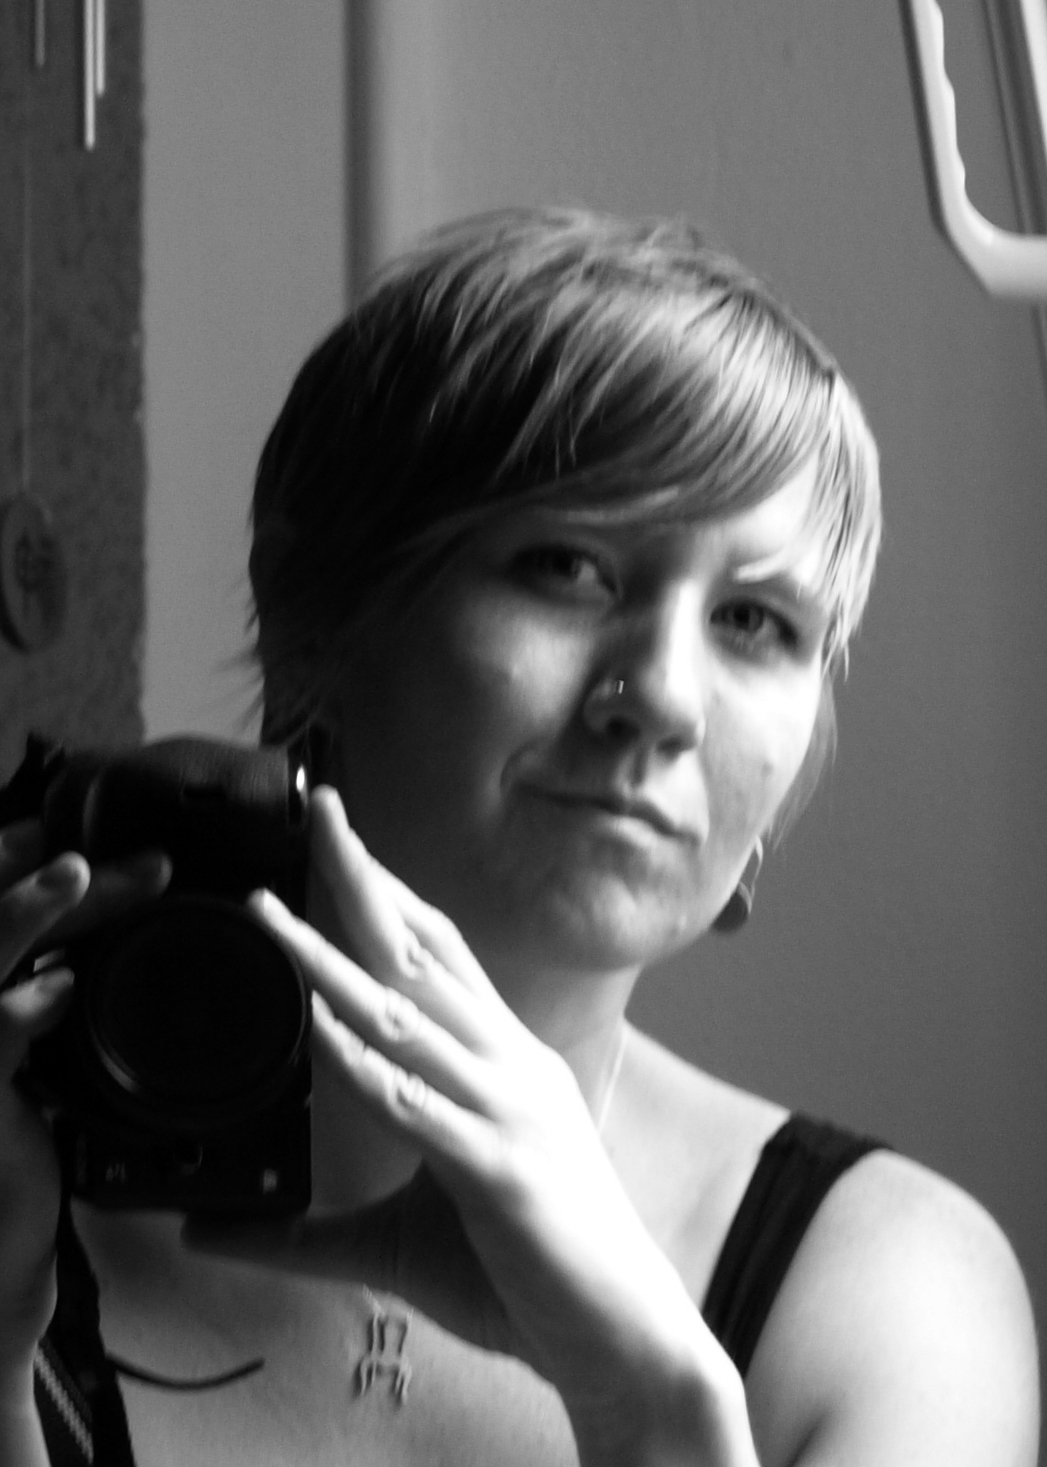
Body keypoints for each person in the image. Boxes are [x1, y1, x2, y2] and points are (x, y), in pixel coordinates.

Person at [0, 207, 1039, 1466]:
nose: (662, 699)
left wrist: (654, 1407)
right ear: (317, 626)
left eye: (755, 623)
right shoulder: (23, 1182)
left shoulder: (889, 1297)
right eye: (566, 568)